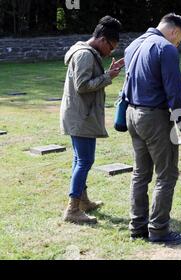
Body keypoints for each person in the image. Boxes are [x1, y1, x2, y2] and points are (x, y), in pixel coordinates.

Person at [124, 13, 181, 244]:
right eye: (179, 40)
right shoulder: (166, 48)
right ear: (175, 31)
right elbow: (175, 91)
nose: (177, 44)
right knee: (167, 174)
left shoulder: (134, 45)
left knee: (140, 173)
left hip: (132, 114)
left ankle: (137, 226)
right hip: (154, 117)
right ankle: (159, 230)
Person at [60, 16, 125, 224]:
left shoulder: (86, 53)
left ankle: (83, 201)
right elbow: (82, 85)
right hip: (81, 117)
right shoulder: (85, 55)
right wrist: (108, 77)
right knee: (85, 161)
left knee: (80, 160)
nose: (111, 52)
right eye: (112, 47)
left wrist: (108, 72)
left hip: (79, 115)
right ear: (103, 40)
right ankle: (72, 209)